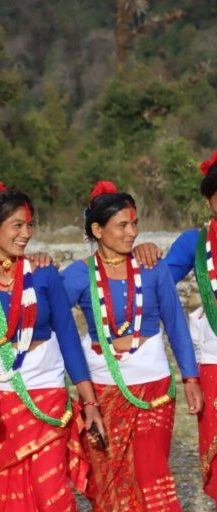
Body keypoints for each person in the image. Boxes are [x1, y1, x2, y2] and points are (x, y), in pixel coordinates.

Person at [62, 180, 203, 511]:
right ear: (97, 230)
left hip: (154, 388)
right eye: (122, 225)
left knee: (151, 475)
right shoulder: (77, 275)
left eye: (135, 224)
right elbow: (51, 324)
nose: (132, 232)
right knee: (109, 480)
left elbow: (175, 323)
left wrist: (190, 377)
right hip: (102, 389)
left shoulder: (152, 268)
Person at [0, 179, 104, 512]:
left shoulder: (43, 274)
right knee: (5, 495)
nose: (26, 233)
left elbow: (69, 338)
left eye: (29, 225)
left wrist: (89, 401)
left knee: (52, 492)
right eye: (17, 225)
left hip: (47, 394)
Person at [133, 150, 217, 504]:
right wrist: (142, 254)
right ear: (209, 199)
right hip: (213, 362)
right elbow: (158, 283)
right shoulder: (195, 243)